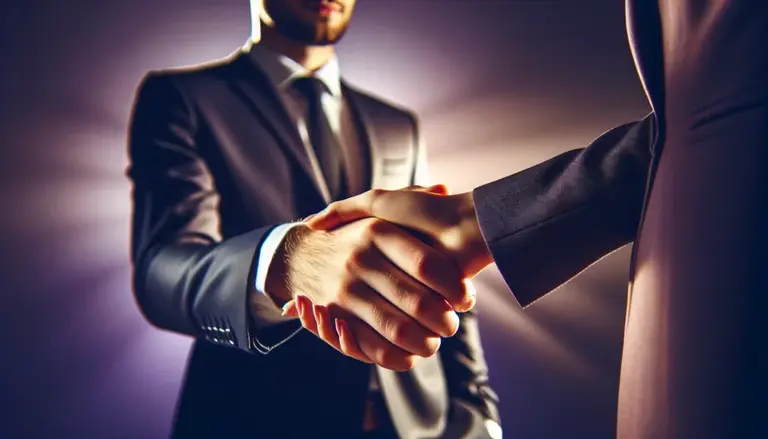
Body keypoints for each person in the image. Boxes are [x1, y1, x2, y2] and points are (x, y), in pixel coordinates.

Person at [293, 1, 768, 437]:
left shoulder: (395, 124)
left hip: (727, 273)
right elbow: (688, 117)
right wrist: (481, 219)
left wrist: (479, 418)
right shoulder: (214, 100)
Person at [127, 0, 501, 437]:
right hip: (254, 419)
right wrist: (284, 260)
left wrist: (480, 415)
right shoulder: (181, 99)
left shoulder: (397, 124)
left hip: (416, 424)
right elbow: (162, 271)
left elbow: (441, 267)